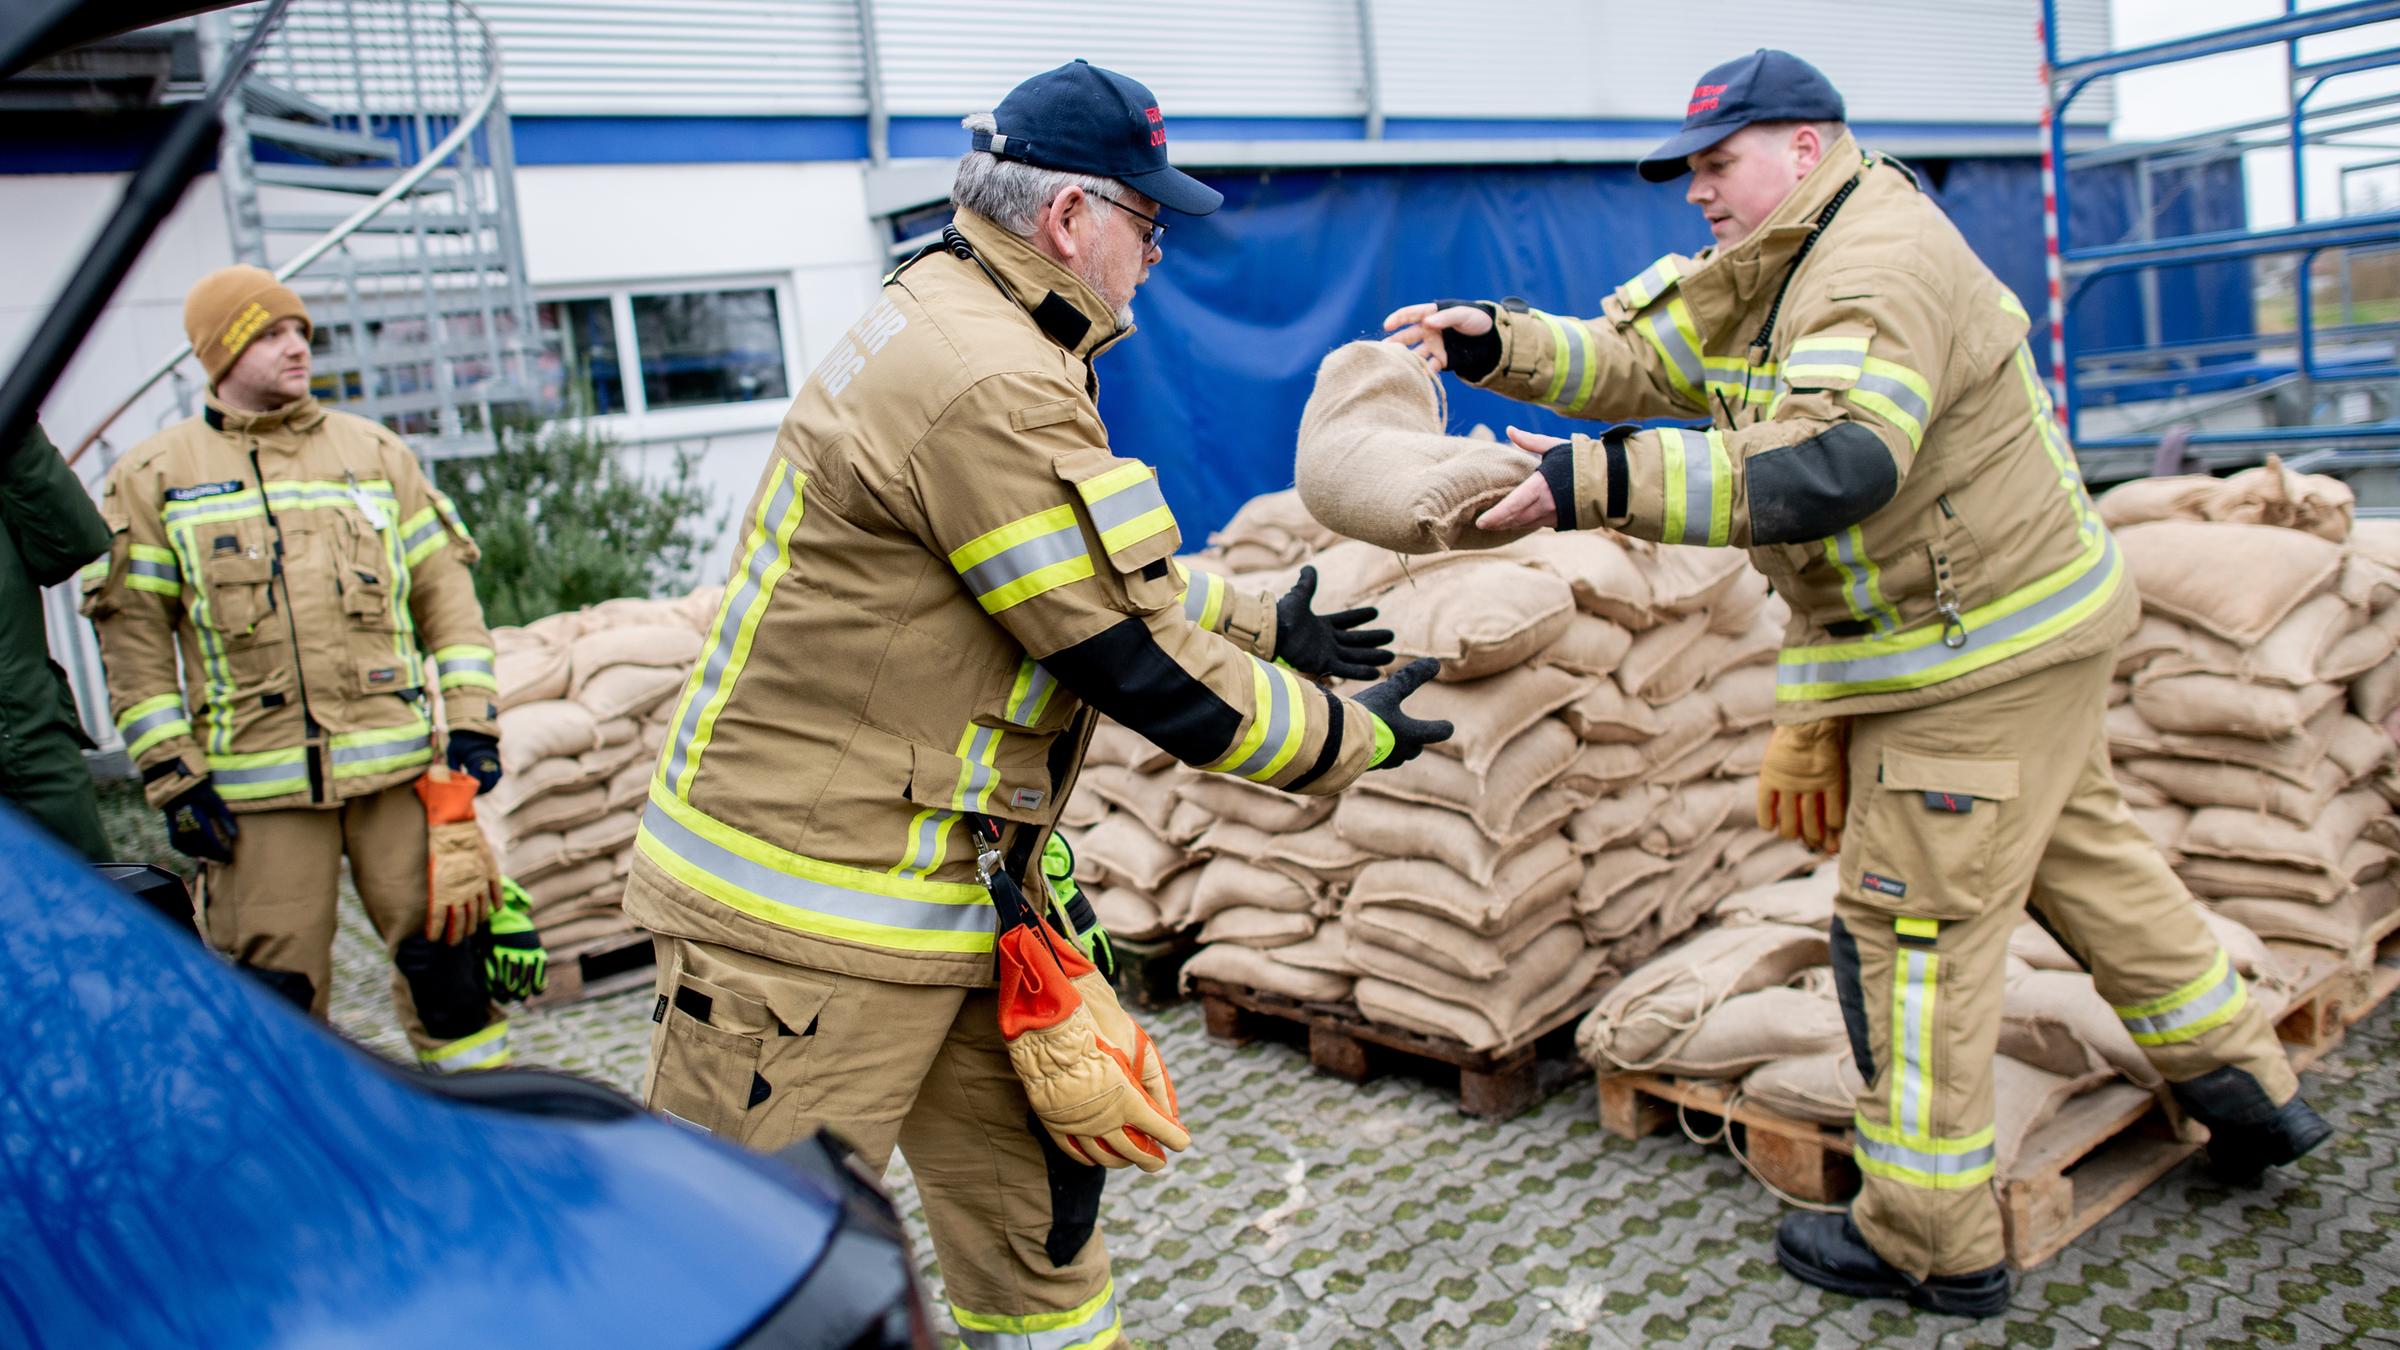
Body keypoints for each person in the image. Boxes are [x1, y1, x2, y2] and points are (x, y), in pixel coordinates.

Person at [1386, 48, 2326, 1319]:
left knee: (1909, 938)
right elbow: (1636, 360)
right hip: (2005, 639)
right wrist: (1488, 342)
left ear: (1806, 147)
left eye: (1719, 165)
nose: (1698, 194)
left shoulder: (1875, 265)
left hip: (1972, 658)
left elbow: (1839, 460)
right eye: (1693, 172)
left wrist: (1587, 484)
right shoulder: (1779, 257)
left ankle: (1931, 1242)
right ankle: (2244, 1091)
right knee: (2086, 861)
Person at [622, 60, 1451, 1350]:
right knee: (744, 1292)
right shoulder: (988, 377)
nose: (1156, 257)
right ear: (1071, 218)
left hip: (947, 902)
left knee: (1040, 1254)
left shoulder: (965, 320)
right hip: (803, 926)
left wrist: (1261, 620)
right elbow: (1136, 667)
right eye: (1148, 224)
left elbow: (1064, 563)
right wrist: (1356, 741)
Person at [82, 265, 514, 1072]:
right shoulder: (155, 478)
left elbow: (448, 602)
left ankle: (493, 1134)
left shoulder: (376, 454)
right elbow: (134, 645)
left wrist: (472, 723)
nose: (297, 348)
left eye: (302, 333)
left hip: (399, 781)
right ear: (219, 352)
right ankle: (299, 1167)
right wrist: (176, 778)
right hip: (257, 800)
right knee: (272, 1002)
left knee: (454, 975)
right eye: (272, 333)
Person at [3, 422, 112, 860]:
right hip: (29, 749)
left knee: (88, 919)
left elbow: (70, 544)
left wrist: (17, 430)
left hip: (30, 750)